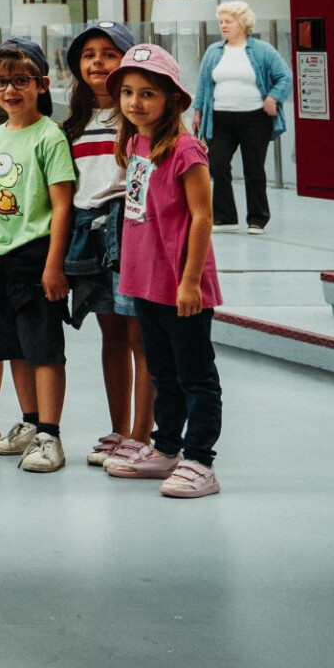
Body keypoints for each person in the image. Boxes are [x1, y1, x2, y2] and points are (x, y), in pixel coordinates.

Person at [107, 43, 225, 498]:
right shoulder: (135, 142)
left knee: (196, 375)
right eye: (128, 92)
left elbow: (202, 217)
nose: (135, 103)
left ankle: (200, 460)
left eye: (148, 94)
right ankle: (167, 447)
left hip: (181, 284)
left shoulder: (186, 150)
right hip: (145, 282)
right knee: (162, 373)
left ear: (173, 99)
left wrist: (190, 280)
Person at [0, 38, 80, 474]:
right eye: (2, 82)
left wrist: (54, 265)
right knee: (14, 347)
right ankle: (29, 422)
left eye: (20, 81)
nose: (10, 91)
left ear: (41, 84)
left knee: (43, 349)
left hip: (33, 254)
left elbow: (62, 205)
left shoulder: (50, 136)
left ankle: (50, 435)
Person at [59, 18, 154, 468]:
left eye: (109, 53)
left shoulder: (137, 115)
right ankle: (119, 431)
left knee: (140, 334)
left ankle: (141, 434)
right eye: (88, 55)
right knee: (110, 332)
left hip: (130, 228)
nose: (98, 62)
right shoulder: (73, 123)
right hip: (87, 229)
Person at [190, 1, 290, 233]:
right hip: (220, 119)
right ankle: (225, 217)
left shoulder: (263, 51)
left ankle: (257, 219)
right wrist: (198, 111)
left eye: (228, 21)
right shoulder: (213, 52)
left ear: (242, 24)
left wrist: (273, 98)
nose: (223, 25)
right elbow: (204, 84)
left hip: (255, 119)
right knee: (217, 164)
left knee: (254, 169)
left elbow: (284, 77)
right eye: (221, 22)